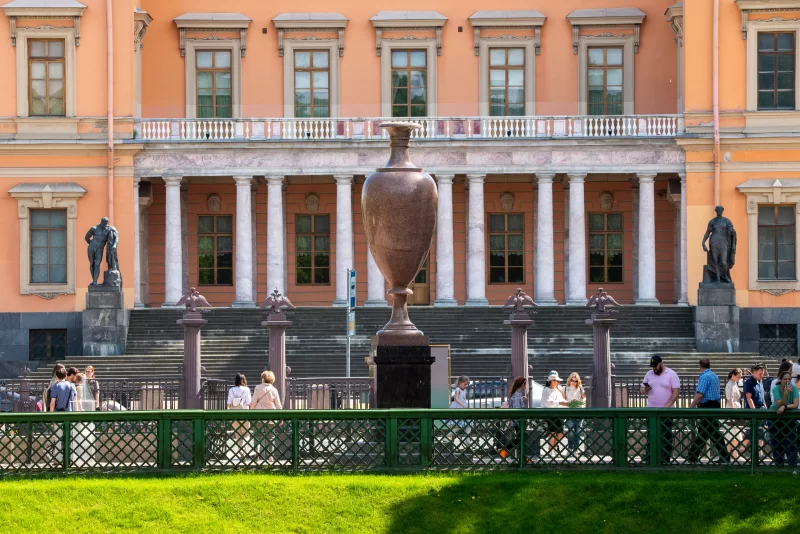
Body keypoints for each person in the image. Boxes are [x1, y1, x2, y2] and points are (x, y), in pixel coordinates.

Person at [688, 359, 730, 464]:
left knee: (705, 432)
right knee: (711, 432)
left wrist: (691, 406)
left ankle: (693, 455)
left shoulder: (704, 377)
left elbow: (700, 394)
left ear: (700, 366)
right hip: (715, 405)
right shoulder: (715, 376)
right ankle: (724, 456)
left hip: (707, 405)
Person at [640, 356, 680, 464]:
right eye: (653, 367)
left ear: (661, 363)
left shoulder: (671, 374)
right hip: (651, 409)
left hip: (667, 410)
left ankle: (665, 458)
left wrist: (668, 405)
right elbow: (642, 390)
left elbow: (676, 392)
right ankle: (650, 457)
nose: (654, 369)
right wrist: (645, 389)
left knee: (666, 434)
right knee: (651, 435)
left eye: (656, 366)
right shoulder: (649, 374)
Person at [250, 371, 282, 462]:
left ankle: (256, 455)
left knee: (257, 435)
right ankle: (270, 456)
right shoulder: (274, 390)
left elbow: (253, 402)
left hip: (258, 415)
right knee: (270, 437)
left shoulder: (258, 388)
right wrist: (280, 417)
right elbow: (278, 405)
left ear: (263, 378)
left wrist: (251, 412)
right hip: (271, 416)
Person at [768, 371, 799, 467]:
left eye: (789, 379)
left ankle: (792, 464)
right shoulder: (776, 389)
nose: (787, 381)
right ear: (781, 380)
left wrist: (785, 407)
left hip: (788, 417)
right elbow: (778, 404)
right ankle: (779, 465)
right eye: (785, 379)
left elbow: (795, 404)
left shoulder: (794, 388)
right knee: (777, 442)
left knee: (791, 442)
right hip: (775, 417)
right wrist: (785, 394)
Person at [541, 371, 568, 456]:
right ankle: (551, 449)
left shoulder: (557, 389)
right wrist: (560, 403)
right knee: (552, 432)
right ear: (551, 381)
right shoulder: (546, 390)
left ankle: (554, 447)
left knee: (560, 433)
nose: (558, 383)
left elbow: (562, 400)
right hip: (550, 413)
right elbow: (548, 403)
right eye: (557, 381)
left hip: (558, 413)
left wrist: (568, 403)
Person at [742, 364, 768, 454]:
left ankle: (760, 452)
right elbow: (749, 397)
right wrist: (753, 410)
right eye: (760, 374)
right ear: (754, 372)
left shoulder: (760, 381)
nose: (762, 376)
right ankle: (741, 449)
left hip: (761, 408)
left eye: (762, 374)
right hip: (753, 409)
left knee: (762, 431)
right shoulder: (749, 382)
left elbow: (762, 396)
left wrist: (765, 406)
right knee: (750, 431)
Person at [227, 373, 252, 459]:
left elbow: (229, 404)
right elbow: (249, 402)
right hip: (245, 413)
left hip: (234, 414)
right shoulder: (247, 389)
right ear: (244, 380)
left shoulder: (231, 390)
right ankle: (243, 449)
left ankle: (240, 452)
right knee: (246, 435)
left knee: (238, 435)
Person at [564, 372, 586, 451]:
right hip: (569, 412)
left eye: (576, 381)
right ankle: (570, 448)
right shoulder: (565, 388)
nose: (574, 382)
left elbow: (584, 398)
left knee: (578, 432)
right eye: (572, 380)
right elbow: (563, 400)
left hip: (579, 411)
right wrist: (569, 404)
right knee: (571, 431)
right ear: (569, 380)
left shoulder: (580, 388)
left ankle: (576, 449)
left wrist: (581, 403)